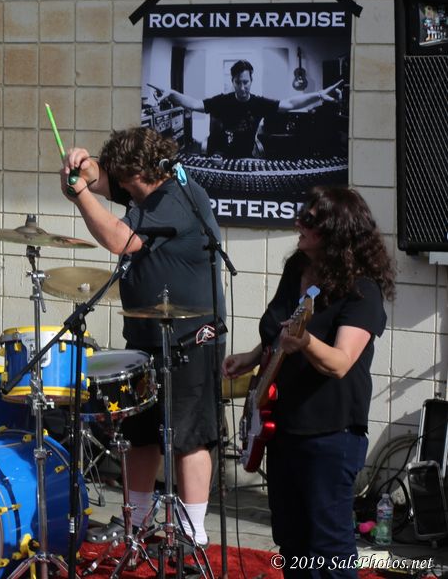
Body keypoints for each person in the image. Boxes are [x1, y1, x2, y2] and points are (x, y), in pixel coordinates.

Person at [61, 127, 226, 546]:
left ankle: (192, 532)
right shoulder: (148, 190)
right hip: (149, 332)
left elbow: (120, 240)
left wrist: (81, 196)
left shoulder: (174, 198)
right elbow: (100, 178)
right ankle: (136, 521)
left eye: (123, 179)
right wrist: (82, 164)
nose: (119, 188)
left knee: (189, 437)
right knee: (140, 432)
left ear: (138, 175)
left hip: (191, 337)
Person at [223, 187, 393, 579]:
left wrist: (307, 342)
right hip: (283, 427)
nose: (298, 222)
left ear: (337, 231)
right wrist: (253, 356)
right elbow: (279, 331)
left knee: (329, 547)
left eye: (310, 220)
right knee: (291, 540)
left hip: (330, 433)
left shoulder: (362, 291)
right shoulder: (297, 267)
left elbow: (340, 362)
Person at [158, 59, 343, 158]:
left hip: (247, 156)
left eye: (246, 82)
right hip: (221, 157)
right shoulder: (221, 101)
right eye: (238, 82)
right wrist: (172, 93)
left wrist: (319, 95)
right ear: (232, 81)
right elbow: (193, 104)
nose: (242, 87)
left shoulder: (259, 103)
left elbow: (290, 104)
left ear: (251, 81)